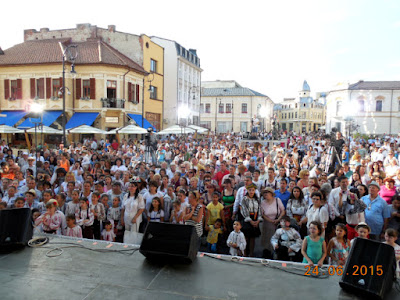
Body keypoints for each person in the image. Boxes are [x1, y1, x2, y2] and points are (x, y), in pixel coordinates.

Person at [260, 187, 285, 258]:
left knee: (277, 238)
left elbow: (283, 210)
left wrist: (278, 219)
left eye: (267, 192)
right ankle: (268, 253)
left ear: (271, 193)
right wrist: (270, 221)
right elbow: (262, 214)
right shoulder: (263, 203)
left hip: (277, 222)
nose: (265, 194)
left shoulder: (277, 200)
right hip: (267, 223)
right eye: (264, 193)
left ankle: (276, 253)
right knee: (267, 239)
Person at [241, 183, 263, 257]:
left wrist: (258, 220)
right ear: (247, 190)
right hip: (247, 219)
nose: (251, 192)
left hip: (255, 218)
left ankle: (251, 253)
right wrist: (250, 220)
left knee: (252, 238)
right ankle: (244, 253)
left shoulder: (257, 199)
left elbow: (260, 209)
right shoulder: (244, 199)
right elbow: (244, 209)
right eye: (250, 190)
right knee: (246, 237)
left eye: (253, 190)